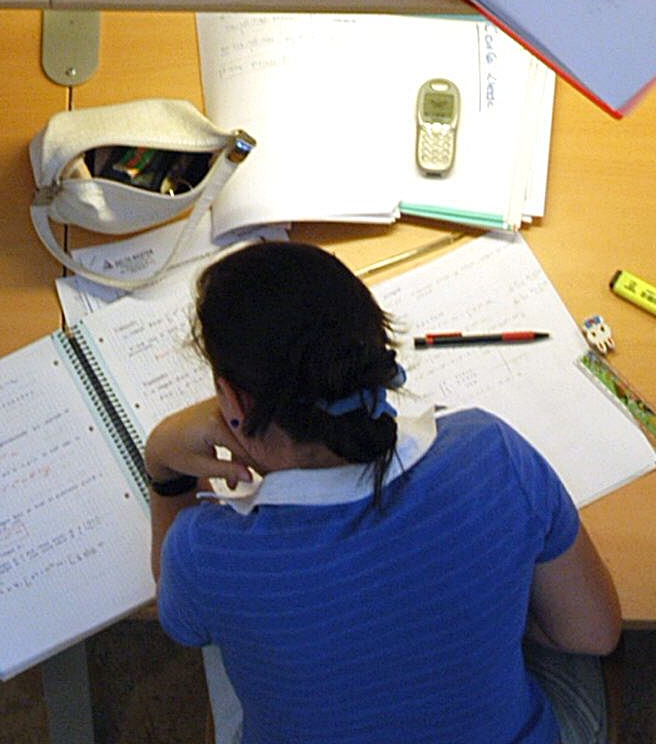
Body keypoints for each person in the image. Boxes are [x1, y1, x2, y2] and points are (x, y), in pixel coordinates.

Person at [142, 241, 622, 744]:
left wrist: (162, 463)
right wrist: (472, 620)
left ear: (234, 401)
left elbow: (181, 621)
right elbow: (594, 633)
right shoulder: (491, 452)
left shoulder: (207, 553)